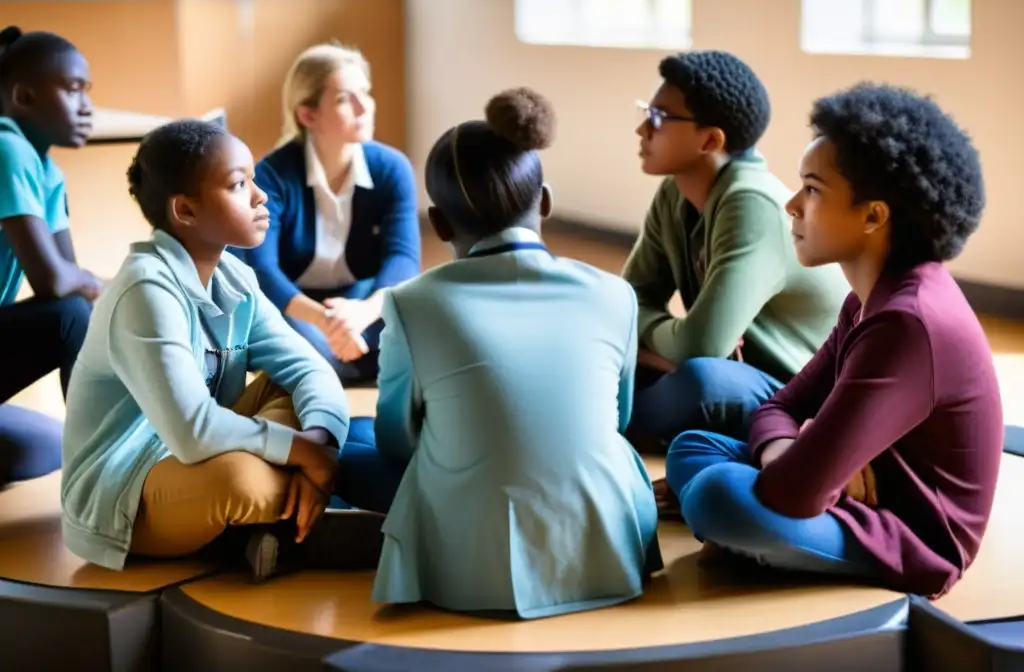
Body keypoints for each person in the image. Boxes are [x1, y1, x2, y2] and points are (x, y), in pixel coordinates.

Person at [665, 83, 1002, 599]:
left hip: (908, 538)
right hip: (846, 494)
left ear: (873, 215)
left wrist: (803, 462)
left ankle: (748, 537)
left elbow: (794, 492)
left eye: (813, 189)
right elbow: (781, 406)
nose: (792, 205)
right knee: (694, 446)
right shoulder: (867, 298)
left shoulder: (908, 322)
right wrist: (793, 446)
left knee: (715, 493)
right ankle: (755, 540)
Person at [369, 87, 661, 619]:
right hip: (607, 545)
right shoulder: (615, 293)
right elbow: (618, 418)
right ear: (545, 201)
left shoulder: (414, 303)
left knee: (352, 444)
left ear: (438, 223)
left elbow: (395, 437)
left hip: (471, 569)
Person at [61, 120, 388, 580]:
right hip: (128, 491)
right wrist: (305, 455)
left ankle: (270, 527)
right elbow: (193, 431)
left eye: (253, 180)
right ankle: (311, 514)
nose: (260, 196)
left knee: (301, 399)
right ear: (186, 211)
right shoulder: (144, 292)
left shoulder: (235, 276)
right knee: (241, 481)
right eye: (238, 185)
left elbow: (309, 369)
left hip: (199, 453)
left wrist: (316, 445)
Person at [623, 50, 849, 451]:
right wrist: (665, 350)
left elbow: (699, 348)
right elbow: (628, 301)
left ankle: (615, 417)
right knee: (604, 355)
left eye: (658, 117)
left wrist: (654, 346)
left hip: (794, 397)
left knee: (700, 382)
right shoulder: (674, 192)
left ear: (710, 139)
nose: (642, 129)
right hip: (728, 371)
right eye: (646, 111)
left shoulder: (752, 203)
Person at [232, 43, 420, 386]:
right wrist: (326, 321)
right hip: (293, 305)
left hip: (359, 304)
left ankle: (339, 363)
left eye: (366, 92)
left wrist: (360, 315)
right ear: (308, 115)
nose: (365, 107)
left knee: (423, 323)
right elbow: (262, 271)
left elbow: (403, 260)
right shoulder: (273, 175)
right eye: (345, 98)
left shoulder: (392, 169)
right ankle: (351, 364)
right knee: (295, 342)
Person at [0, 26, 102, 488]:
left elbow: (74, 278)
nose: (87, 106)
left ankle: (110, 452)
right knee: (66, 314)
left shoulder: (47, 170)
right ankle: (103, 477)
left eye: (88, 91)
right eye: (73, 88)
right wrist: (91, 285)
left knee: (49, 445)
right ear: (23, 96)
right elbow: (54, 283)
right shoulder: (6, 147)